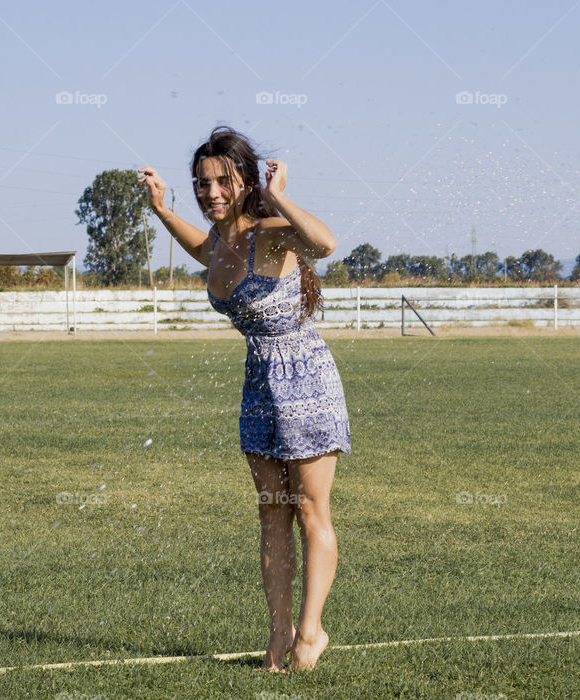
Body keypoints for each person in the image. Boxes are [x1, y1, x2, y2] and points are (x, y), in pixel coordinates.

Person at [138, 126, 350, 672]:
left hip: (305, 376)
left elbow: (325, 245)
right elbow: (199, 248)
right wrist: (162, 209)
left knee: (308, 509)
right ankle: (277, 636)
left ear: (245, 182)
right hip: (259, 382)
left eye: (222, 181)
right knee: (271, 514)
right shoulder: (221, 243)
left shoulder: (270, 232)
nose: (210, 193)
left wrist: (279, 196)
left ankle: (310, 632)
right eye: (201, 183)